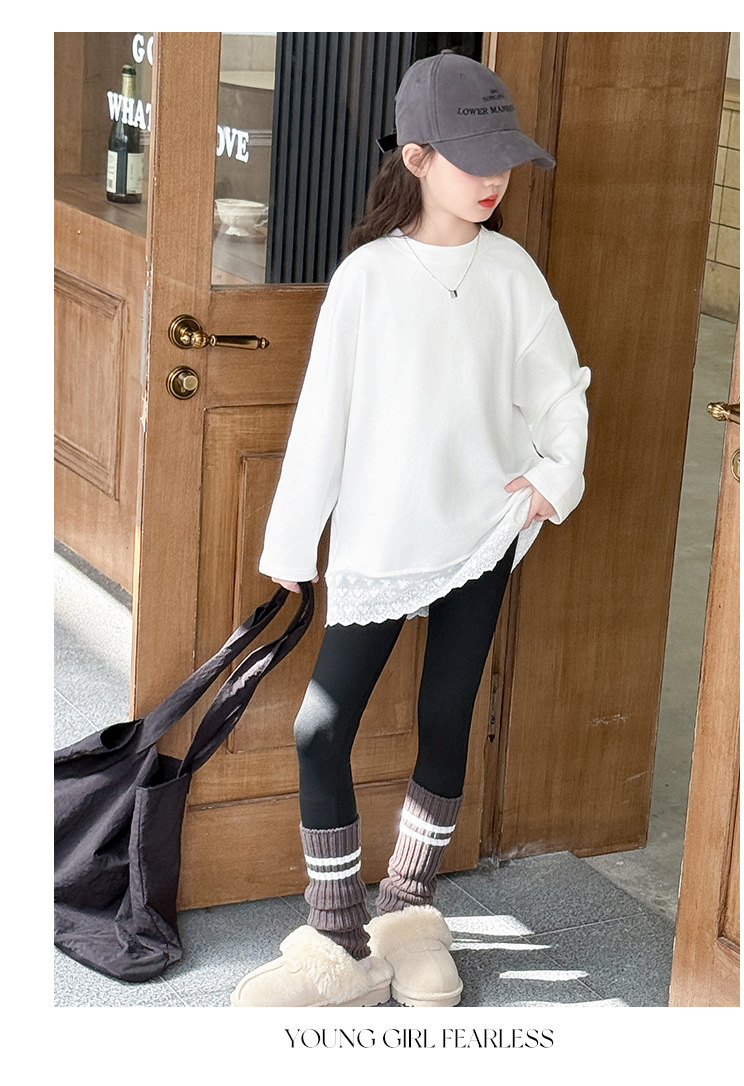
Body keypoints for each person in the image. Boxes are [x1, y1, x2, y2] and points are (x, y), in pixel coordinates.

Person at [230, 51, 591, 1008]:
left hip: (482, 532)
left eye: (504, 158)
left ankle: (407, 911)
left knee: (445, 717)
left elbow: (562, 392)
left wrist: (554, 477)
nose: (494, 177)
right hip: (385, 536)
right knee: (320, 730)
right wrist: (291, 543)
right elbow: (325, 420)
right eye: (474, 158)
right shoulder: (368, 278)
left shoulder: (511, 272)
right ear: (419, 157)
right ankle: (336, 940)